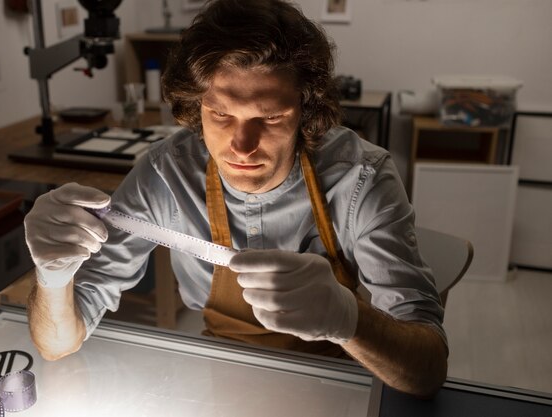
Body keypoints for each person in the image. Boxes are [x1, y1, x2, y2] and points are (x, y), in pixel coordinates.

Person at [24, 0, 448, 397]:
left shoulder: (362, 179)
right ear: (196, 108)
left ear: (305, 111)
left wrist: (351, 321)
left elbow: (427, 372)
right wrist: (53, 277)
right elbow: (57, 346)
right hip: (221, 371)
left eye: (270, 117)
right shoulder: (166, 174)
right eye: (221, 115)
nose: (242, 145)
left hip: (338, 377)